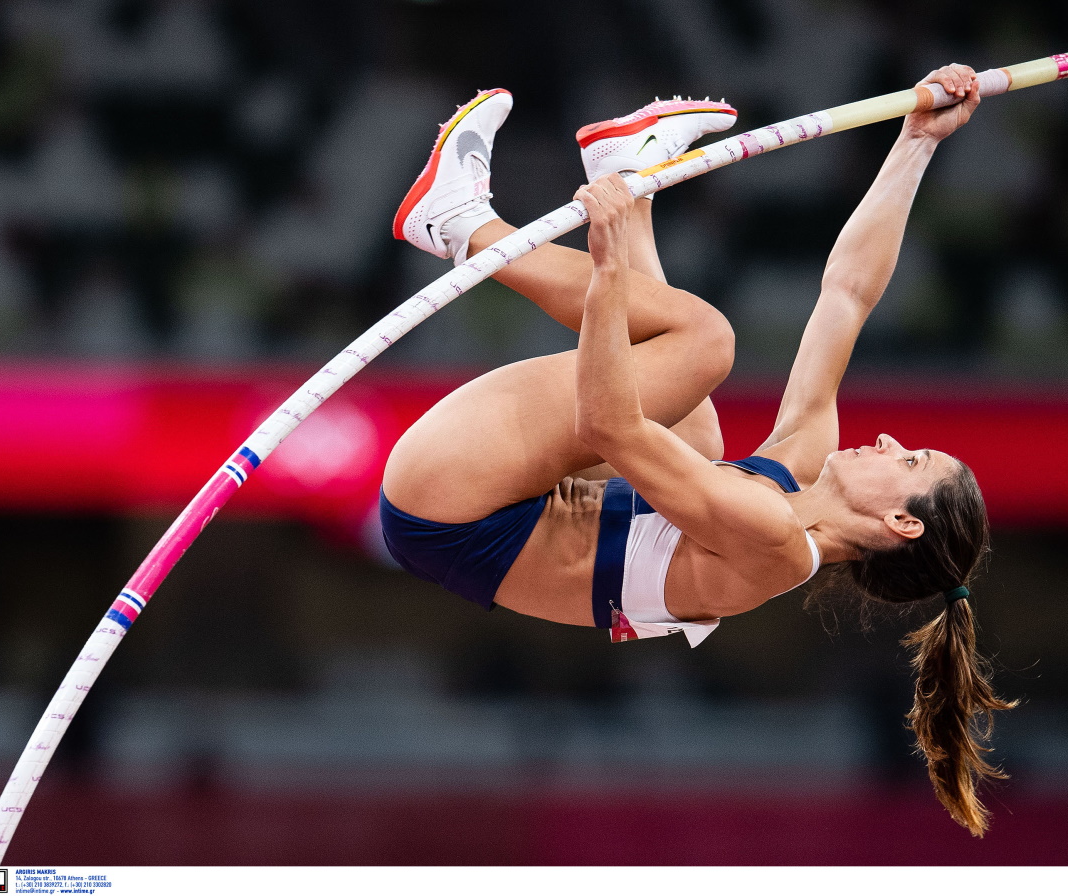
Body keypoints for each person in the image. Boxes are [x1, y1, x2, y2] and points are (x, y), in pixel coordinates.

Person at [382, 67, 1016, 836]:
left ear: (900, 523)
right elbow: (847, 293)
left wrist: (611, 264)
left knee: (703, 342)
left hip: (453, 509)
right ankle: (631, 175)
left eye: (910, 461)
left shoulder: (772, 540)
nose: (889, 441)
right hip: (513, 499)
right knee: (700, 433)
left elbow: (608, 426)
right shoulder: (793, 476)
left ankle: (458, 225)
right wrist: (915, 144)